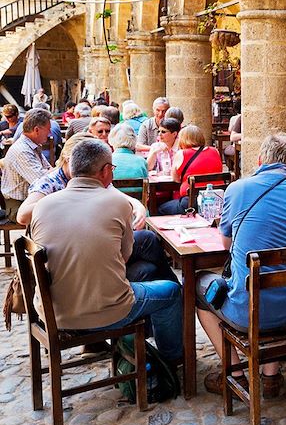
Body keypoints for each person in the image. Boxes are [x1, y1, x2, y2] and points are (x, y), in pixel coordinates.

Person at [195, 131, 286, 396]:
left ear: (261, 159)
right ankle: (270, 376)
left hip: (246, 314)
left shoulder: (238, 189)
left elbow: (226, 246)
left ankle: (236, 374)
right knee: (277, 283)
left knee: (198, 286)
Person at [30, 139, 183, 364]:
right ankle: (173, 359)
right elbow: (124, 256)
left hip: (52, 311)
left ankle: (143, 347)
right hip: (106, 312)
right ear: (105, 171)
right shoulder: (117, 202)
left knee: (146, 270)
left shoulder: (43, 205)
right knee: (171, 291)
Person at [17, 132, 176, 283]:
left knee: (148, 269)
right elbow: (22, 216)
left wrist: (138, 206)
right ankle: (176, 291)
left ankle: (171, 293)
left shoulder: (91, 177)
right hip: (73, 257)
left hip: (89, 252)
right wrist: (66, 198)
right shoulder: (50, 183)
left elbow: (118, 195)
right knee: (147, 241)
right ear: (69, 160)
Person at [158, 125, 223, 215]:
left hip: (191, 202)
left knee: (161, 208)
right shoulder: (215, 151)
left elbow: (176, 179)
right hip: (215, 200)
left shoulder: (181, 154)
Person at [0, 108, 52, 221]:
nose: (50, 133)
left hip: (30, 199)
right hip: (18, 206)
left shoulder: (32, 145)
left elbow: (49, 170)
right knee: (58, 212)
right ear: (36, 130)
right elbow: (42, 181)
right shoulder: (22, 150)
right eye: (48, 129)